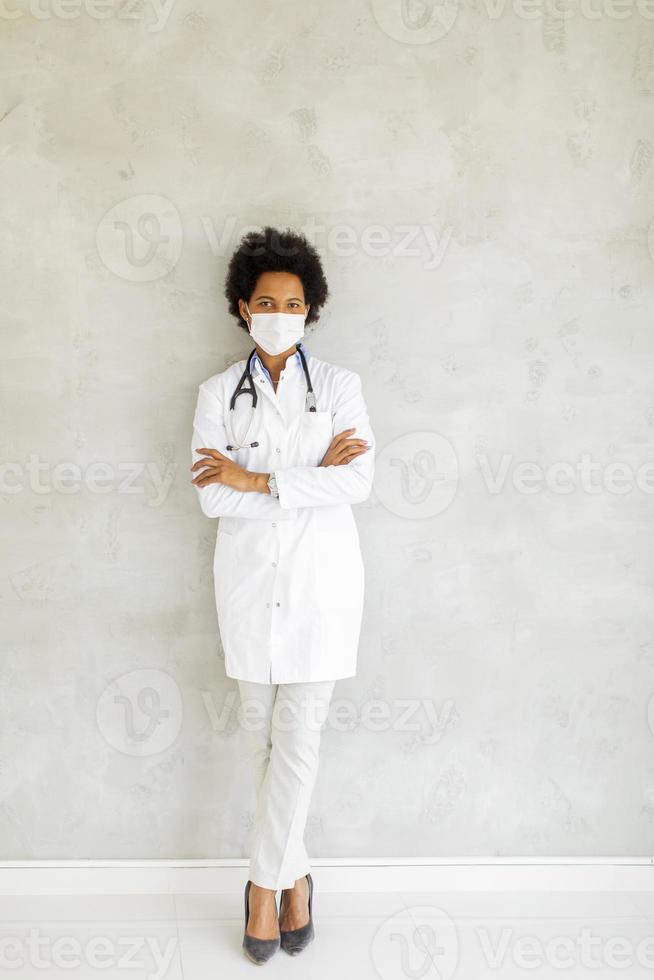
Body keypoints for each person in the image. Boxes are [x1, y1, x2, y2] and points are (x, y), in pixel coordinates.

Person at [190, 225, 375, 963]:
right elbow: (211, 499)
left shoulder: (339, 389)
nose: (279, 312)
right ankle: (297, 873)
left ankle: (263, 891)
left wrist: (257, 480)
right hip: (246, 587)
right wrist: (307, 480)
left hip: (323, 589)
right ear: (242, 306)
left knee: (297, 742)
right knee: (257, 743)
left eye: (293, 302)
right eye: (266, 300)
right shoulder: (214, 394)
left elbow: (357, 482)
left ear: (312, 309)